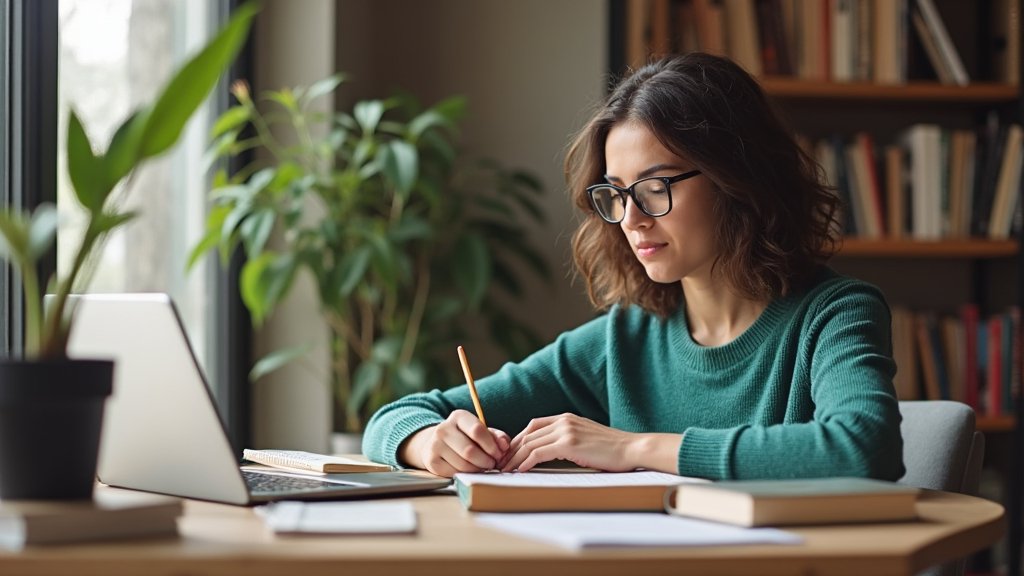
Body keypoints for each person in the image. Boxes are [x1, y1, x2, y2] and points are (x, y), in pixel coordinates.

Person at [362, 52, 905, 481]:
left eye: (654, 187)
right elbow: (394, 417)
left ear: (736, 179)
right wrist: (429, 441)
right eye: (617, 194)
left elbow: (862, 445)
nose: (631, 219)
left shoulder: (833, 313)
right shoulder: (622, 340)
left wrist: (633, 449)